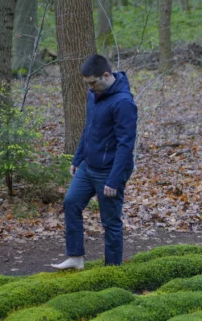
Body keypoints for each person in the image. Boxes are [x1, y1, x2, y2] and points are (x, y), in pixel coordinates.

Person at [52, 54, 138, 270]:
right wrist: (78, 158)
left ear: (106, 76)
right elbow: (88, 129)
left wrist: (114, 179)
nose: (90, 88)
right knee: (71, 203)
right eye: (87, 84)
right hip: (88, 167)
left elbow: (125, 145)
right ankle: (76, 258)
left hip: (109, 172)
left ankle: (112, 270)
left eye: (92, 83)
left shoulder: (123, 103)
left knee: (111, 222)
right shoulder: (94, 95)